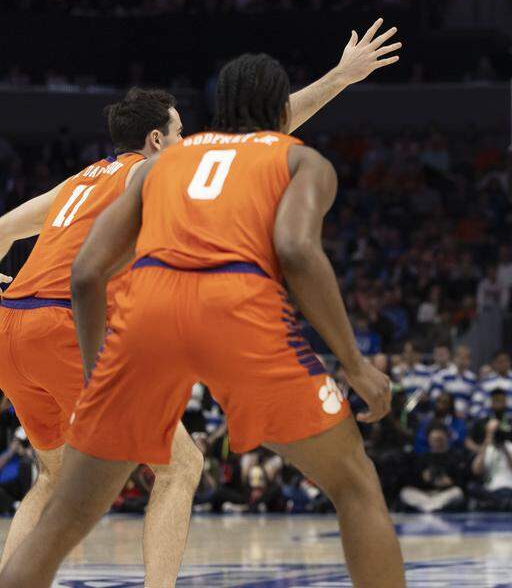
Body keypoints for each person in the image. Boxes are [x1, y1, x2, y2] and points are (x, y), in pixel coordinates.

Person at [0, 51, 406, 588]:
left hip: (10, 329)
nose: (187, 140)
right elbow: (255, 139)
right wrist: (338, 78)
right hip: (63, 329)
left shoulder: (77, 183)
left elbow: (5, 230)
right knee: (180, 469)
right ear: (154, 142)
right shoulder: (151, 169)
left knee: (54, 479)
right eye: (179, 132)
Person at [399, 425, 467, 514]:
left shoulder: (456, 457)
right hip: (424, 495)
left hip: (445, 494)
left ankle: (429, 507)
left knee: (457, 492)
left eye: (440, 439)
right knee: (405, 492)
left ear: (446, 438)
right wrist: (423, 478)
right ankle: (431, 507)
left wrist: (450, 482)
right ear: (429, 440)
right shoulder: (422, 458)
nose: (437, 442)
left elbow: (463, 482)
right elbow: (412, 481)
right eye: (434, 439)